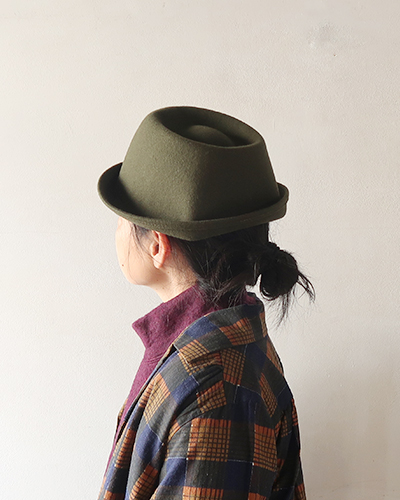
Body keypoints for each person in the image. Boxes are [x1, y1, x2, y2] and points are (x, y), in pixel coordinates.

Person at [96, 106, 314, 500]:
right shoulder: (209, 344)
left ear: (158, 245)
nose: (116, 232)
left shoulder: (212, 390)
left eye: (123, 220)